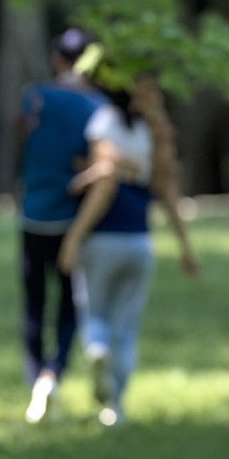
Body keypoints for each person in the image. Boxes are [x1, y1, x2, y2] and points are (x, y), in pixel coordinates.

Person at [57, 73, 198, 426]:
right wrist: (185, 247)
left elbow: (104, 181)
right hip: (140, 241)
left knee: (94, 313)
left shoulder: (104, 121)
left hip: (101, 237)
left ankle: (96, 348)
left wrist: (73, 237)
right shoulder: (154, 135)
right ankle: (115, 407)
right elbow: (168, 192)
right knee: (126, 327)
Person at [14, 28, 104, 423]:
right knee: (69, 305)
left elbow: (23, 137)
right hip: (71, 220)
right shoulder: (97, 106)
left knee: (33, 303)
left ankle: (36, 377)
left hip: (32, 215)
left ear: (56, 59)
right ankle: (53, 373)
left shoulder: (33, 97)